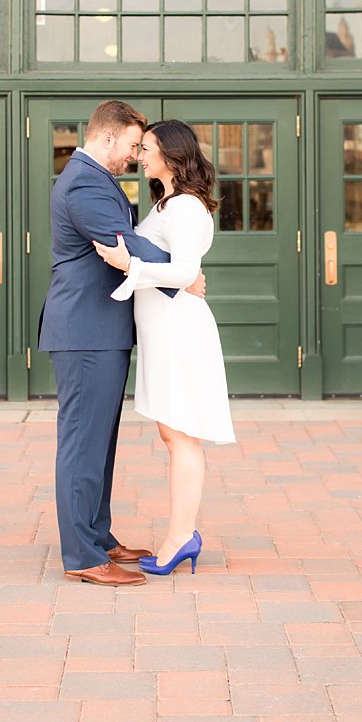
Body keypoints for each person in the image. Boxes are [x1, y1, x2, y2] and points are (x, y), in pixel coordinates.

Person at [40, 100, 182, 586]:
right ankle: (82, 556)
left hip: (100, 331)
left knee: (99, 442)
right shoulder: (82, 180)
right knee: (82, 443)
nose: (133, 155)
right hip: (85, 333)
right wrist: (181, 271)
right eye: (130, 145)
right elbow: (121, 243)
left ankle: (98, 536)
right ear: (106, 138)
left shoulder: (96, 178)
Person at [93, 119, 235, 576]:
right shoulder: (166, 204)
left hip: (180, 331)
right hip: (162, 331)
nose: (140, 155)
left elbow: (183, 272)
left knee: (181, 435)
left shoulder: (188, 208)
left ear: (172, 155)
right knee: (173, 434)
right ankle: (181, 535)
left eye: (148, 147)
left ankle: (181, 537)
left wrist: (127, 262)